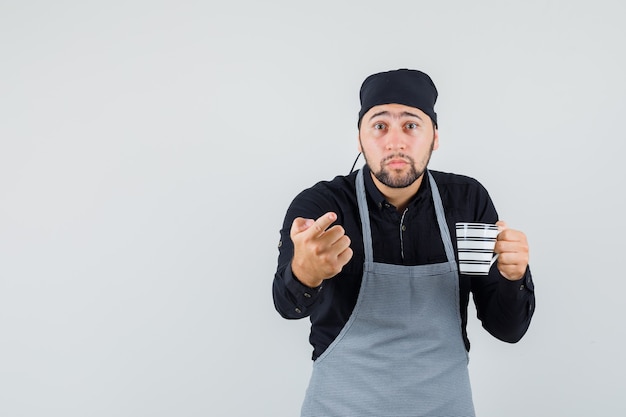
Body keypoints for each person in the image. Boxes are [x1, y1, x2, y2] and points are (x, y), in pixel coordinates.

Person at [272, 68, 535, 416]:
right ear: (360, 139)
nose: (395, 142)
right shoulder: (322, 208)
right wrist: (304, 271)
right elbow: (288, 307)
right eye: (380, 126)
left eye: (411, 125)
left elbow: (507, 330)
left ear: (434, 137)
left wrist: (514, 277)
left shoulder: (467, 202)